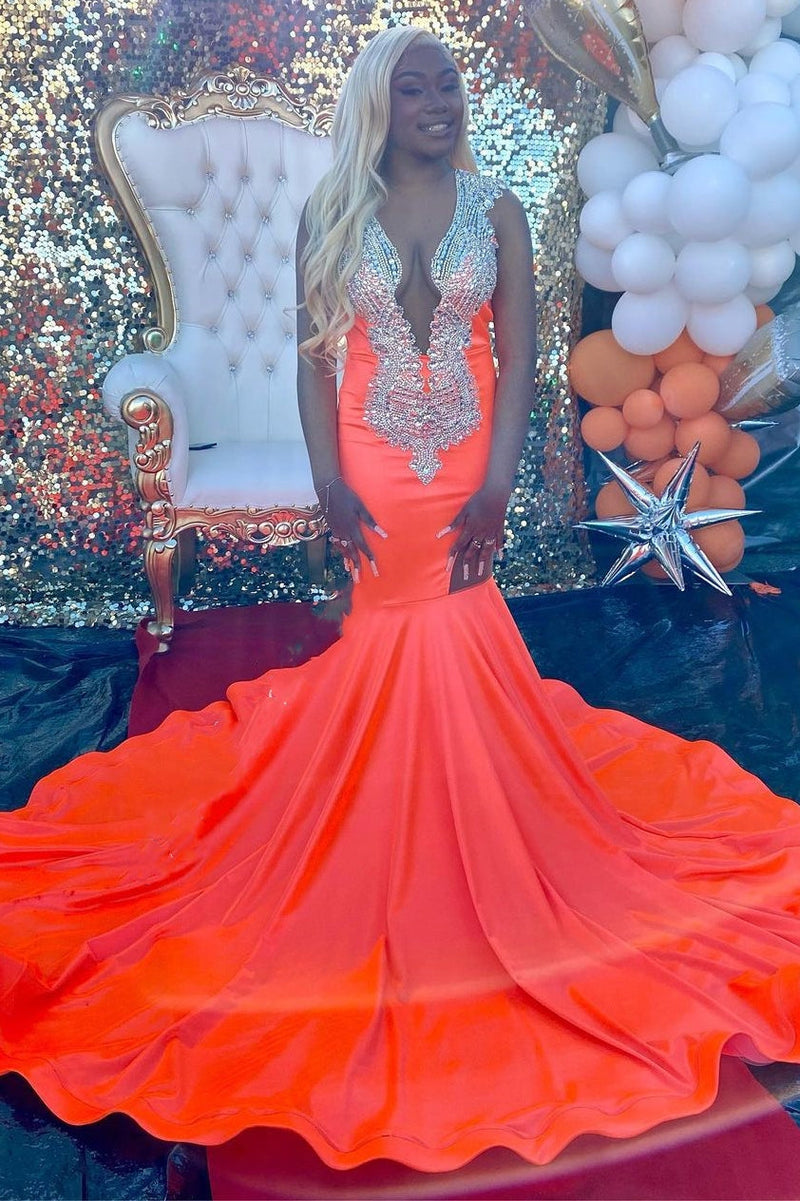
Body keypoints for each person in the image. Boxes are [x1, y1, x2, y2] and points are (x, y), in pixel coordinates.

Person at [2, 22, 800, 1185]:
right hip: (373, 464)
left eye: (448, 85)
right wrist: (328, 483)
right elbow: (312, 359)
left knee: (456, 624)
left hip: (463, 459)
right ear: (380, 105)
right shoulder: (332, 211)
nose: (440, 102)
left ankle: (472, 808)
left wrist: (495, 487)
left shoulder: (500, 213)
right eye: (416, 87)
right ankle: (387, 807)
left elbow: (518, 364)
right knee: (395, 631)